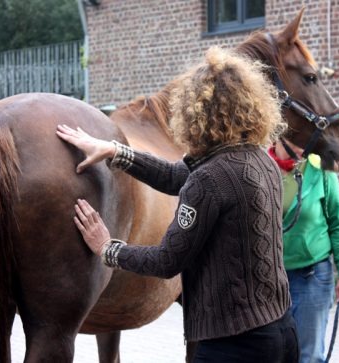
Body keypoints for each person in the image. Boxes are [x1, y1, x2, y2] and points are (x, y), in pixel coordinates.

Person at [57, 46, 299, 362]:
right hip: (282, 331)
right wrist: (116, 151)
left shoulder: (210, 178)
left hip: (232, 345)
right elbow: (176, 175)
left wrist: (107, 248)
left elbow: (167, 261)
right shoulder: (259, 161)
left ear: (194, 114)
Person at [268, 139, 339, 363]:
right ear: (280, 135)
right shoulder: (261, 167)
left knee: (308, 355)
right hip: (268, 280)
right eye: (299, 134)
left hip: (312, 277)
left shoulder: (319, 168)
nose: (306, 141)